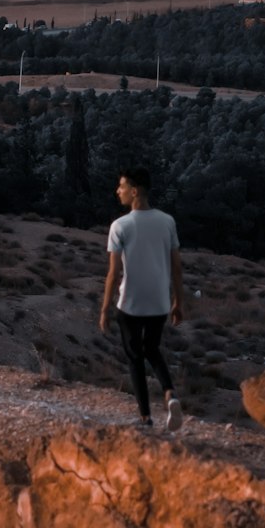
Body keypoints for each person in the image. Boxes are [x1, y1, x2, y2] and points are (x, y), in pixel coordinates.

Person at [99, 166, 184, 431]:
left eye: (122, 186)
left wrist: (104, 309)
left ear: (134, 192)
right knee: (152, 349)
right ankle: (170, 392)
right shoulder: (167, 221)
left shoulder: (120, 226)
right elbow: (176, 266)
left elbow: (113, 274)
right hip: (159, 301)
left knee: (135, 357)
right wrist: (178, 301)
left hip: (131, 303)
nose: (118, 191)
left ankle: (146, 418)